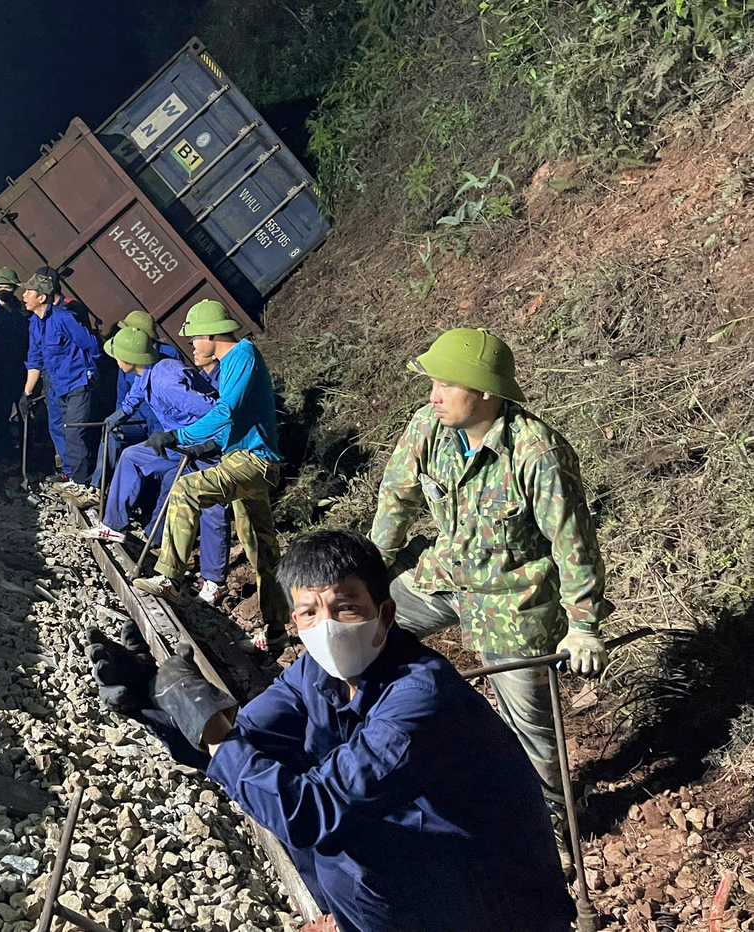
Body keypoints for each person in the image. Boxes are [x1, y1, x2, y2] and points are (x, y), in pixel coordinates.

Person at [93, 529, 575, 931]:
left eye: (345, 607)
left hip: (500, 891)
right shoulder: (314, 673)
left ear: (384, 615)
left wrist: (212, 729)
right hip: (430, 856)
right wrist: (157, 707)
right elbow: (242, 743)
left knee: (338, 845)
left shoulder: (421, 695)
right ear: (295, 621)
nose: (327, 628)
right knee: (287, 788)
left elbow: (308, 809)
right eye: (309, 613)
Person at [369, 327, 609, 858]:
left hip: (513, 603)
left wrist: (583, 625)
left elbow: (574, 544)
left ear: (485, 392)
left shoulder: (536, 453)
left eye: (446, 384)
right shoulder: (427, 426)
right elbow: (395, 502)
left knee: (532, 732)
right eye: (432, 382)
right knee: (364, 637)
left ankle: (557, 818)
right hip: (444, 577)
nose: (432, 393)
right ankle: (397, 757)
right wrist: (365, 577)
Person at [134, 300, 288, 650]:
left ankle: (168, 577)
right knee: (261, 551)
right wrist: (207, 446)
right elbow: (236, 417)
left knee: (187, 489)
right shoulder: (234, 362)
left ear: (209, 334)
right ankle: (277, 633)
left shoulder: (242, 356)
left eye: (193, 339)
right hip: (245, 458)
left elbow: (226, 410)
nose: (191, 346)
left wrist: (181, 437)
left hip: (253, 461)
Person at [79, 327, 230, 604]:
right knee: (132, 456)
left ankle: (213, 581)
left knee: (212, 508)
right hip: (177, 443)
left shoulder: (165, 381)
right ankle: (114, 524)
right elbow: (135, 396)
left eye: (117, 356)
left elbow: (215, 411)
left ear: (129, 357)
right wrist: (121, 413)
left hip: (206, 447)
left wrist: (209, 444)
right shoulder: (146, 372)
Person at [18, 266, 98, 492]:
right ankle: (70, 473)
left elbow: (91, 345)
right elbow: (35, 359)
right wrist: (27, 393)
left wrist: (90, 373)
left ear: (41, 297)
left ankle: (82, 483)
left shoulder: (65, 319)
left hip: (76, 383)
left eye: (29, 292)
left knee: (73, 430)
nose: (23, 296)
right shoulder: (34, 322)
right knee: (57, 428)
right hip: (54, 384)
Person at [92, 310, 180, 490]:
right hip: (139, 419)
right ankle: (97, 488)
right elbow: (123, 393)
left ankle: (153, 501)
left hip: (163, 424)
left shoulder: (169, 355)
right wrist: (118, 418)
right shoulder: (127, 356)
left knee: (161, 463)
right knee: (112, 434)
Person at [0, 267, 30, 462]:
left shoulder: (24, 312)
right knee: (0, 414)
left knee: (26, 413)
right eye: (0, 286)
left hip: (22, 370)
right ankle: (3, 452)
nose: (3, 290)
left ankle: (27, 453)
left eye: (7, 287)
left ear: (14, 288)